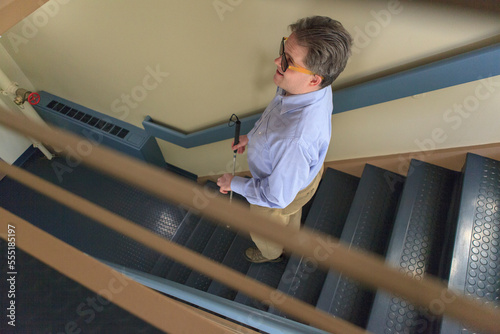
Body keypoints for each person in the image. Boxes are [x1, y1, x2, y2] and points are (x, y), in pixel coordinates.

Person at [217, 16, 352, 263]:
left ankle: (271, 254)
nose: (277, 61)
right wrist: (253, 136)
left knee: (266, 227)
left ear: (314, 79)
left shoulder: (295, 139)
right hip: (301, 178)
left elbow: (276, 197)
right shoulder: (310, 88)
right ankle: (290, 238)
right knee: (291, 209)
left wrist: (234, 182)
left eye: (288, 61)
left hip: (278, 190)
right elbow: (275, 116)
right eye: (283, 49)